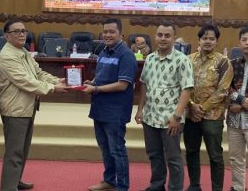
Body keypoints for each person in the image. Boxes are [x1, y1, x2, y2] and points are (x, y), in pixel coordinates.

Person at [0, 18, 68, 191]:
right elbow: (26, 81)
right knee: (14, 153)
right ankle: (8, 187)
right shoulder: (7, 56)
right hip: (15, 110)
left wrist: (57, 80)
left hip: (26, 107)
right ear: (7, 36)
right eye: (16, 31)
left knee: (22, 149)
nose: (21, 34)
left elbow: (38, 73)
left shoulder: (23, 52)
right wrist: (52, 88)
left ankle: (15, 181)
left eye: (23, 30)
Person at [135, 24, 194, 191]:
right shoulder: (150, 59)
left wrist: (176, 117)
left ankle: (175, 188)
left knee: (173, 158)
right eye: (160, 35)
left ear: (174, 38)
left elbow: (187, 89)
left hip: (171, 119)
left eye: (167, 35)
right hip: (150, 116)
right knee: (154, 155)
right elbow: (144, 85)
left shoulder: (183, 60)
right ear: (155, 36)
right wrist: (140, 109)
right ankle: (157, 185)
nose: (163, 38)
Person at [83, 18, 138, 191]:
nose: (107, 35)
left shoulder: (126, 54)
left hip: (115, 111)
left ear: (121, 34)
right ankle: (109, 181)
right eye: (105, 31)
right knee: (105, 149)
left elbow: (122, 84)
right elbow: (101, 77)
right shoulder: (103, 52)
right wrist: (91, 82)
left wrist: (96, 89)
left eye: (111, 32)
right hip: (99, 108)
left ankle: (122, 186)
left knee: (117, 150)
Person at [184, 25, 233, 191]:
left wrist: (201, 108)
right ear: (199, 40)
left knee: (215, 156)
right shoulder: (188, 59)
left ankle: (217, 188)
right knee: (191, 152)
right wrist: (191, 106)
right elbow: (182, 85)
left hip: (213, 116)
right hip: (191, 115)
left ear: (217, 41)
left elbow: (223, 91)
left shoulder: (223, 62)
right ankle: (194, 185)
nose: (208, 41)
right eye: (204, 38)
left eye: (211, 38)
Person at [227, 26, 248, 191]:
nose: (247, 43)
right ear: (239, 43)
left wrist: (241, 105)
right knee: (235, 158)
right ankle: (238, 187)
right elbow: (226, 88)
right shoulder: (232, 64)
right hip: (234, 120)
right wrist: (243, 101)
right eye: (244, 39)